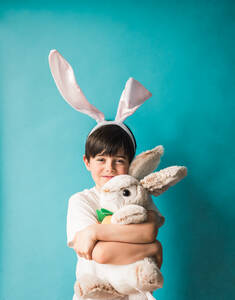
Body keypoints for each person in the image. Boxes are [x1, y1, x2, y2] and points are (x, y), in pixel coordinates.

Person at [67, 124, 164, 300]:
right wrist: (152, 247)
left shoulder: (137, 196)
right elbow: (101, 254)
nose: (109, 168)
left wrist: (94, 231)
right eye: (101, 159)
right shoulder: (81, 201)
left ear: (130, 164)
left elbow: (149, 231)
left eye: (119, 160)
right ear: (87, 162)